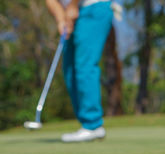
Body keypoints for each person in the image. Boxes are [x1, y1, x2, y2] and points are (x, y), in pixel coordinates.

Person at [46, 0, 114, 142]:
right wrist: (61, 19)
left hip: (94, 7)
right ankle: (87, 124)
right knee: (69, 70)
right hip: (74, 12)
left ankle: (92, 125)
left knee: (85, 66)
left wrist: (73, 5)